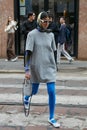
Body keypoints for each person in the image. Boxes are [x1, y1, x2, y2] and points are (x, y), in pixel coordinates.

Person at [24, 11, 60, 128]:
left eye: (49, 21)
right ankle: (26, 97)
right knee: (34, 91)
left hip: (49, 66)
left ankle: (51, 117)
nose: (47, 24)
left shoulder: (51, 35)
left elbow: (53, 51)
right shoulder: (32, 34)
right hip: (36, 67)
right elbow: (27, 53)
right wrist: (27, 70)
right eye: (45, 21)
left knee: (51, 91)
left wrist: (55, 65)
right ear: (40, 20)